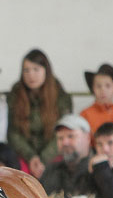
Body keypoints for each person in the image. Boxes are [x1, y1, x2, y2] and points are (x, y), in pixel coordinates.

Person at [6, 49, 72, 179]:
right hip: (24, 155)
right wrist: (31, 157)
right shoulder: (16, 94)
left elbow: (62, 132)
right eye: (26, 70)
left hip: (53, 154)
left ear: (46, 71)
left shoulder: (60, 95)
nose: (31, 75)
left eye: (36, 69)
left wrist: (43, 159)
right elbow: (13, 132)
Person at [40, 114, 95, 198]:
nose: (65, 143)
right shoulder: (51, 170)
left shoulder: (99, 170)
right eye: (60, 138)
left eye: (71, 136)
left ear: (88, 138)